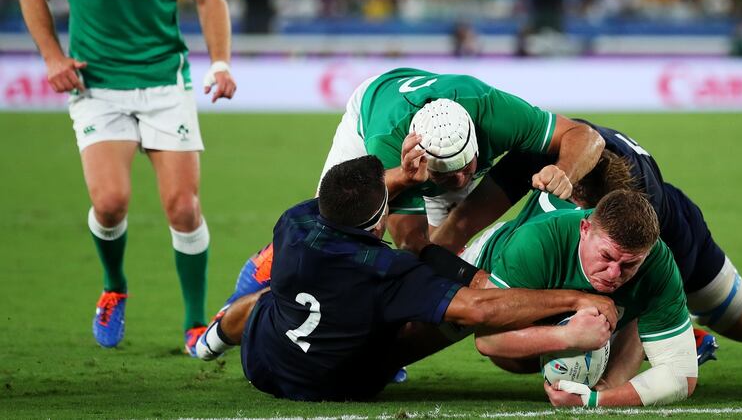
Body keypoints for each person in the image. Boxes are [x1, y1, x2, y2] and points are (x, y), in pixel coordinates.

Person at [192, 156, 618, 401]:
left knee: (269, 302)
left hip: (264, 363)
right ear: (378, 224)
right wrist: (573, 300)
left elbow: (338, 200)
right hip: (339, 385)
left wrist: (405, 176)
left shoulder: (294, 224)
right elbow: (479, 307)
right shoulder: (387, 270)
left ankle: (210, 340)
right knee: (453, 318)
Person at [19, 0, 237, 351]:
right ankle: (114, 287)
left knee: (184, 208)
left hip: (166, 83)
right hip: (96, 85)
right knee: (109, 203)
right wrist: (53, 57)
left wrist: (220, 63)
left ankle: (194, 323)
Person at [524, 120, 742, 356]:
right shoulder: (552, 141)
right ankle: (680, 335)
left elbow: (628, 284)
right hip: (675, 215)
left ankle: (674, 334)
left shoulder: (636, 221)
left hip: (674, 242)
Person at [317, 67, 604, 252]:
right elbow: (410, 242)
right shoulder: (387, 143)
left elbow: (586, 136)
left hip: (427, 130)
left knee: (445, 250)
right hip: (371, 110)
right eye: (444, 176)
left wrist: (564, 170)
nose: (457, 183)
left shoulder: (494, 113)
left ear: (477, 147)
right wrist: (403, 178)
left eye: (466, 170)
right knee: (326, 226)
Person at [464, 189, 698, 407]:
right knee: (432, 334)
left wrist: (597, 399)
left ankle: (605, 381)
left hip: (581, 324)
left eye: (629, 264)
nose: (614, 273)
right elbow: (487, 340)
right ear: (584, 229)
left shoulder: (658, 264)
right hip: (479, 270)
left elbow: (682, 377)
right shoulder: (538, 242)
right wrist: (568, 334)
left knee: (644, 311)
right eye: (606, 256)